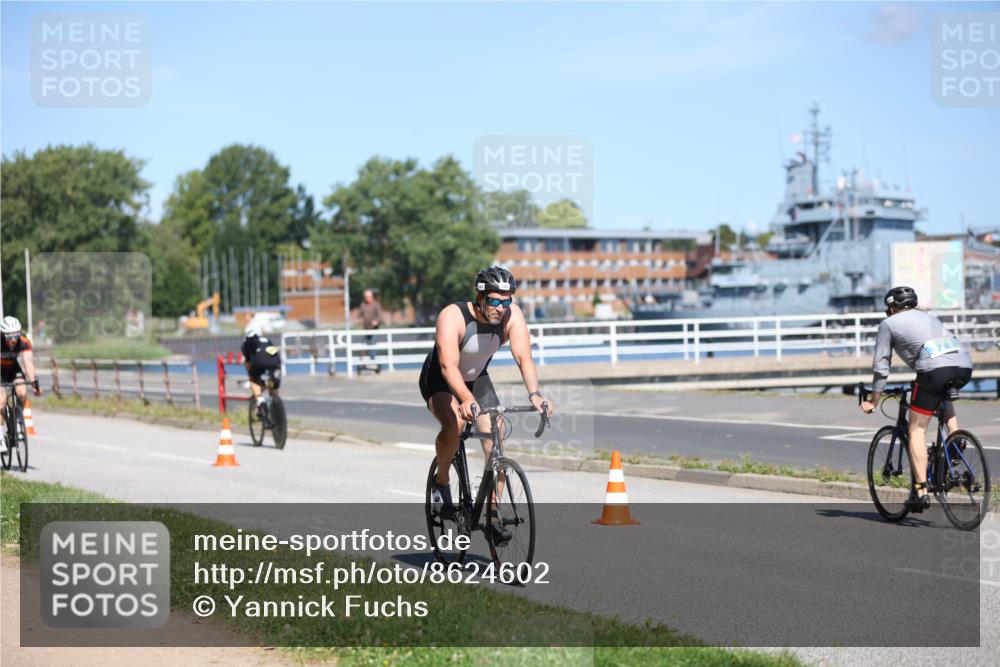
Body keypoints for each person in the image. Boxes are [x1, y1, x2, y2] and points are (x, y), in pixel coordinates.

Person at [419, 266, 554, 543]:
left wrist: (535, 394)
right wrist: (465, 399)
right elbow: (448, 366)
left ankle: (492, 514)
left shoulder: (512, 316)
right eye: (494, 300)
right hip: (441, 379)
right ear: (480, 297)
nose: (501, 308)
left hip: (477, 378)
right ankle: (441, 483)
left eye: (507, 301)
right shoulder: (453, 316)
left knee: (498, 433)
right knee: (454, 424)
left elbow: (524, 358)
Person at [860, 286, 973, 512]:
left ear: (892, 307)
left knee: (917, 429)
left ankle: (920, 491)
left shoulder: (889, 324)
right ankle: (956, 439)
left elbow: (881, 367)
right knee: (941, 394)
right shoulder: (928, 317)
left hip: (933, 372)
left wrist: (873, 400)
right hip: (964, 366)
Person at [1, 316, 42, 453]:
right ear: (3, 334)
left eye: (16, 335)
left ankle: (19, 419)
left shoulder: (23, 342)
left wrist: (34, 384)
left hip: (13, 369)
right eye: (9, 336)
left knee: (22, 392)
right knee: (1, 401)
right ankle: (0, 436)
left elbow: (28, 363)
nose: (13, 339)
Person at [241, 325, 282, 414]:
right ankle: (276, 404)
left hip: (259, 364)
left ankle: (260, 400)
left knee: (253, 380)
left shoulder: (247, 343)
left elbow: (248, 361)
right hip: (275, 364)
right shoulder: (267, 340)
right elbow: (274, 353)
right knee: (272, 383)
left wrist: (250, 374)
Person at [357, 289, 383, 362]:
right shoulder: (363, 305)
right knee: (363, 346)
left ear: (372, 296)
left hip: (374, 330)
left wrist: (376, 321)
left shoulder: (376, 305)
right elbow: (359, 315)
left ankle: (373, 362)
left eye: (369, 297)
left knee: (373, 347)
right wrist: (358, 319)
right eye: (366, 297)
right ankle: (362, 363)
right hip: (366, 330)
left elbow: (380, 316)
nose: (367, 298)